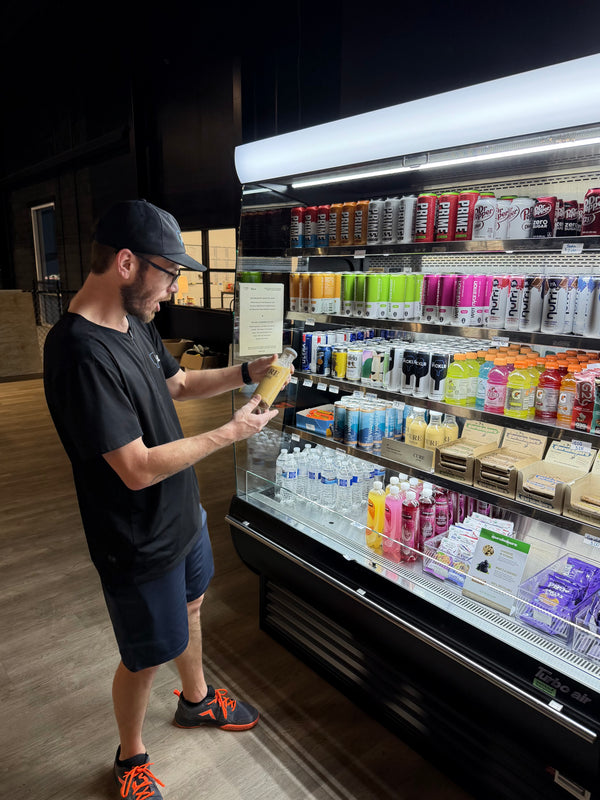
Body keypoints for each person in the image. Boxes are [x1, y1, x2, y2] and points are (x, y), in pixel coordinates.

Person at [43, 199, 283, 800]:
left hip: (181, 515)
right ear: (126, 263)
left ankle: (196, 702)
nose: (173, 288)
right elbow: (136, 469)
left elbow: (179, 385)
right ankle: (130, 757)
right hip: (136, 535)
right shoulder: (80, 353)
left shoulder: (136, 322)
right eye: (169, 273)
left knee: (192, 608)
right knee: (146, 654)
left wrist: (246, 372)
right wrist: (230, 433)